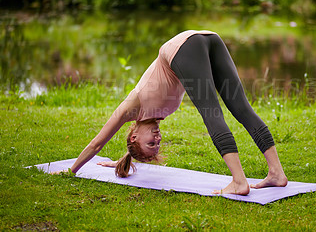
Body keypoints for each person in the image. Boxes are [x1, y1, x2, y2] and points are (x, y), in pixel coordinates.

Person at [55, 30, 287, 195]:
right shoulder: (156, 116)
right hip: (209, 39)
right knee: (241, 108)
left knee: (211, 113)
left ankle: (239, 182)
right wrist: (123, 159)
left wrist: (71, 170)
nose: (157, 139)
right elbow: (137, 144)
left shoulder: (130, 108)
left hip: (182, 48)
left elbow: (97, 144)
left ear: (133, 136)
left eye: (150, 143)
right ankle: (276, 174)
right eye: (158, 144)